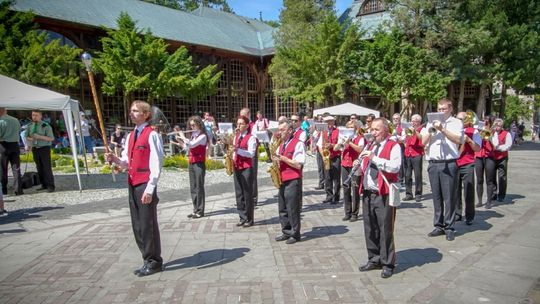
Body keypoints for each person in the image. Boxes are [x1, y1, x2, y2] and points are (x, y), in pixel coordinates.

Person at [106, 100, 164, 277]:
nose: (131, 113)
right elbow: (126, 161)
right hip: (132, 183)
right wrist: (115, 160)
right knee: (137, 225)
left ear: (146, 114)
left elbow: (157, 162)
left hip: (144, 184)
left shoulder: (151, 134)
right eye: (131, 111)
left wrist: (150, 188)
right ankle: (146, 258)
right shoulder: (130, 136)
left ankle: (154, 260)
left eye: (135, 111)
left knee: (147, 225)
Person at [356, 118, 401, 279]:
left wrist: (374, 158)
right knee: (370, 228)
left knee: (385, 229)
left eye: (376, 129)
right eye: (372, 129)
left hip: (384, 193)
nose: (372, 132)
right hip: (368, 192)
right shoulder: (370, 145)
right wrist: (359, 165)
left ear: (385, 130)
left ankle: (388, 263)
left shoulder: (393, 146)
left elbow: (395, 167)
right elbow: (365, 168)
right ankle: (374, 258)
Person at [421, 98, 463, 241]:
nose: (441, 112)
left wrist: (443, 130)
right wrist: (431, 131)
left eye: (443, 109)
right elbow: (422, 142)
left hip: (449, 163)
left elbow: (459, 140)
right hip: (433, 163)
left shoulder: (456, 123)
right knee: (436, 196)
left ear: (450, 109)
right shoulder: (430, 123)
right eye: (439, 109)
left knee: (449, 197)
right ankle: (438, 225)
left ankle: (449, 227)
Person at [272, 120, 305, 244]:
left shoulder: (298, 144)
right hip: (282, 179)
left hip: (292, 179)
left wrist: (283, 158)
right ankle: (286, 231)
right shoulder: (281, 145)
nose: (280, 132)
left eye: (282, 130)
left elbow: (298, 164)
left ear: (290, 130)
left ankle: (295, 234)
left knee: (292, 208)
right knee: (283, 208)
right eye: (279, 130)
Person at [177, 116, 207, 219]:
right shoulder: (193, 135)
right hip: (192, 162)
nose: (192, 126)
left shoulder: (202, 136)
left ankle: (200, 210)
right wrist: (180, 140)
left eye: (194, 125)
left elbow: (193, 145)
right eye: (191, 125)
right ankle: (195, 209)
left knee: (199, 186)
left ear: (199, 124)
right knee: (193, 186)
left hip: (199, 163)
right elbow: (187, 148)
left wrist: (183, 135)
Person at [455, 111, 481, 225]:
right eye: (458, 119)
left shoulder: (474, 131)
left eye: (462, 119)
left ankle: (470, 215)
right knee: (455, 190)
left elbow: (477, 149)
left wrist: (469, 140)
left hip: (467, 163)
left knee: (468, 190)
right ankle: (457, 213)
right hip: (454, 162)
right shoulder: (453, 130)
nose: (460, 121)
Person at [233, 115, 257, 227]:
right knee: (239, 193)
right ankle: (242, 216)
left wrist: (238, 150)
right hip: (237, 166)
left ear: (247, 125)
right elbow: (233, 150)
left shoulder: (251, 137)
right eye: (237, 123)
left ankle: (249, 219)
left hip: (247, 167)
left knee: (247, 194)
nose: (238, 125)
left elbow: (250, 153)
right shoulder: (236, 136)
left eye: (241, 123)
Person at [25, 110, 55, 193]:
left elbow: (51, 138)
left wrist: (39, 137)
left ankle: (50, 185)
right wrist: (30, 140)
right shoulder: (30, 126)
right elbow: (26, 136)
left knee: (46, 167)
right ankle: (43, 184)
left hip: (44, 148)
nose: (34, 117)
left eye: (36, 115)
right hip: (35, 148)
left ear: (40, 116)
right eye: (33, 115)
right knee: (39, 167)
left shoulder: (46, 126)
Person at [341, 120, 365, 222]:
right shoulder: (345, 138)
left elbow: (360, 149)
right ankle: (347, 212)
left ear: (356, 129)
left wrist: (349, 142)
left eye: (352, 128)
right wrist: (340, 143)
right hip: (345, 164)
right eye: (348, 128)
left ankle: (355, 213)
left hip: (355, 165)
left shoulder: (360, 138)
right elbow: (339, 148)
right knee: (346, 189)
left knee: (355, 190)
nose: (349, 130)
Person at [485, 118, 512, 208]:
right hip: (492, 157)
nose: (497, 127)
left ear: (502, 126)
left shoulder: (506, 134)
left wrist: (499, 148)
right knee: (491, 176)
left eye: (499, 126)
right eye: (496, 125)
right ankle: (493, 194)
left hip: (502, 157)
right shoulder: (491, 132)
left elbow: (508, 145)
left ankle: (501, 195)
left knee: (502, 176)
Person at [318, 115, 341, 204]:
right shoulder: (323, 132)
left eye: (330, 121)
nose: (329, 123)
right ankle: (329, 195)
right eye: (327, 122)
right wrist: (323, 155)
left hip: (336, 156)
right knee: (327, 177)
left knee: (336, 178)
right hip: (326, 157)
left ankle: (336, 196)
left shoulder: (338, 131)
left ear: (333, 122)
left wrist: (332, 145)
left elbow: (340, 145)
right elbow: (319, 145)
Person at [0, 107, 23, 196]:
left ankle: (4, 189)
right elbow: (19, 131)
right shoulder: (15, 120)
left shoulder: (1, 121)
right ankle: (18, 190)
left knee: (3, 169)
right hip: (15, 145)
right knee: (16, 168)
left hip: (3, 146)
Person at [403, 114, 424, 202]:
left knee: (418, 175)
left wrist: (415, 131)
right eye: (411, 120)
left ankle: (418, 194)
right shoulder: (409, 129)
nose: (412, 122)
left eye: (414, 121)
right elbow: (406, 140)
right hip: (408, 153)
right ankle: (408, 194)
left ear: (419, 122)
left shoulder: (422, 129)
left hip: (417, 154)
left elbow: (422, 139)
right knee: (407, 175)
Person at [474, 115, 494, 208]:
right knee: (479, 179)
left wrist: (489, 135)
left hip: (489, 156)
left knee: (489, 180)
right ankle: (480, 201)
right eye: (484, 120)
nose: (485, 121)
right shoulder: (478, 129)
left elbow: (495, 144)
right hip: (478, 156)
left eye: (487, 120)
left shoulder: (493, 130)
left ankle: (489, 201)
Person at [240, 107, 258, 205]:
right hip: (241, 153)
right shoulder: (240, 125)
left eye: (242, 115)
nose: (241, 117)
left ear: (248, 115)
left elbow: (255, 138)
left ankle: (253, 197)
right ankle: (244, 197)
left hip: (251, 152)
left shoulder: (253, 126)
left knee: (252, 175)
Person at [390, 113, 406, 184]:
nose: (395, 120)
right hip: (391, 146)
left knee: (400, 163)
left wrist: (396, 136)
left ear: (400, 119)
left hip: (400, 146)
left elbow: (403, 138)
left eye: (397, 119)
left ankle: (400, 179)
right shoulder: (390, 127)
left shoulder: (402, 127)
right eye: (394, 119)